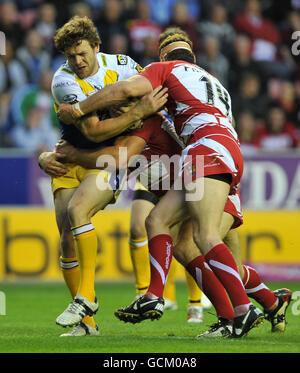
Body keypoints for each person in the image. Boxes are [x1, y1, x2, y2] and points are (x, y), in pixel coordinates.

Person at [57, 31, 292, 338]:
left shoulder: (161, 76)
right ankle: (268, 303)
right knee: (168, 230)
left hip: (207, 150)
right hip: (221, 151)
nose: (118, 107)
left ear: (163, 57)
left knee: (204, 241)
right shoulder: (212, 82)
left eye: (122, 104)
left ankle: (240, 312)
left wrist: (79, 112)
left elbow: (121, 133)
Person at [38, 15, 167, 336]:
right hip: (69, 160)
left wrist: (136, 110)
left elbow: (150, 103)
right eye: (71, 56)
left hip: (104, 161)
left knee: (77, 211)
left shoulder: (124, 66)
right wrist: (134, 111)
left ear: (97, 46)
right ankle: (87, 324)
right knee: (66, 238)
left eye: (83, 53)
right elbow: (93, 130)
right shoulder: (62, 81)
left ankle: (87, 298)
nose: (78, 61)